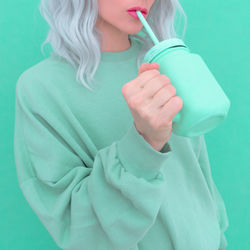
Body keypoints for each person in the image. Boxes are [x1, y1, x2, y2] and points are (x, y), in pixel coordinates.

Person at [14, 0, 229, 249]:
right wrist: (145, 142)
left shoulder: (169, 64)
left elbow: (198, 174)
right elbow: (78, 227)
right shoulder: (41, 89)